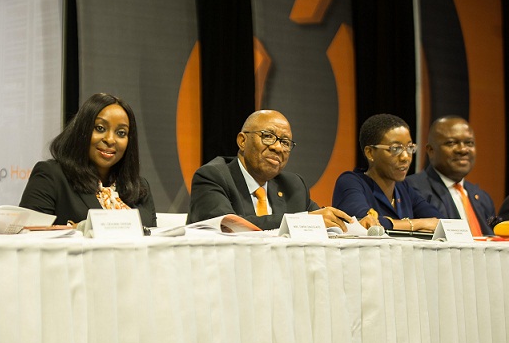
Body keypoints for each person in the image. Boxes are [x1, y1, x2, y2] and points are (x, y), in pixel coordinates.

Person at [187, 109, 373, 231]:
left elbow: (321, 220)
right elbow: (227, 227)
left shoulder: (293, 185)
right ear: (242, 141)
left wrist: (353, 225)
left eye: (285, 142)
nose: (278, 148)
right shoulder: (213, 176)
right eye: (268, 137)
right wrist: (305, 221)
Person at [19, 93, 156, 227]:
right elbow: (29, 239)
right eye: (100, 128)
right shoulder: (51, 176)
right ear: (82, 131)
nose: (110, 140)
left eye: (121, 133)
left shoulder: (139, 187)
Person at [332, 113, 441, 231]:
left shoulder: (403, 188)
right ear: (370, 153)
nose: (405, 157)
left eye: (409, 148)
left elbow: (441, 223)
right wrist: (418, 224)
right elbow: (365, 223)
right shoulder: (351, 182)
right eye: (395, 149)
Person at [406, 116, 495, 235]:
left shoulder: (483, 198)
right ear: (431, 150)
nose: (463, 149)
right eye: (452, 143)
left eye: (469, 143)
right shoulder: (412, 189)